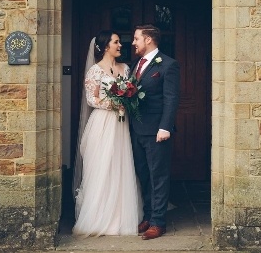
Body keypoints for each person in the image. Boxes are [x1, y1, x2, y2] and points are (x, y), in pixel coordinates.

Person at [72, 30, 142, 236]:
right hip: (102, 123)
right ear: (105, 47)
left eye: (120, 42)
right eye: (116, 42)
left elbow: (131, 92)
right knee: (102, 166)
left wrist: (126, 100)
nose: (120, 45)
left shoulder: (126, 68)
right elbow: (91, 100)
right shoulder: (94, 71)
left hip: (121, 124)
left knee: (121, 165)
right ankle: (97, 217)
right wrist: (114, 103)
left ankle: (121, 216)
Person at [130, 24, 180, 240]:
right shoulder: (136, 64)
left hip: (157, 132)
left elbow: (171, 98)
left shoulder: (168, 65)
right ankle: (149, 216)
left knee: (158, 176)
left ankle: (159, 222)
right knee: (144, 175)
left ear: (148, 40)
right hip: (136, 130)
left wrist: (165, 127)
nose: (133, 43)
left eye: (136, 39)